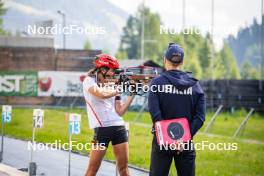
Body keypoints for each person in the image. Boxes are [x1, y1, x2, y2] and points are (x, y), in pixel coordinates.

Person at [148, 43, 206, 176]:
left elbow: (155, 114)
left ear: (165, 60)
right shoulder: (195, 86)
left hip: (161, 141)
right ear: (183, 61)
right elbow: (200, 117)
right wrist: (183, 139)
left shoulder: (156, 83)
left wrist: (169, 139)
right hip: (185, 143)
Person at [83, 54, 134, 176]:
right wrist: (120, 88)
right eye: (112, 70)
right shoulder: (88, 81)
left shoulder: (114, 83)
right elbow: (101, 94)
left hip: (119, 127)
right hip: (101, 129)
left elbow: (120, 111)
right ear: (103, 69)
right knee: (92, 170)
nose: (113, 73)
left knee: (123, 168)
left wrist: (132, 94)